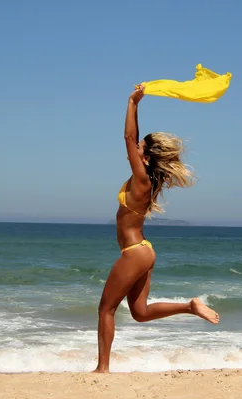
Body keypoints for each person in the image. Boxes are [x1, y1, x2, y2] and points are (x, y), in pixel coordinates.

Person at [93, 85, 220, 373]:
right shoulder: (148, 180)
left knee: (106, 309)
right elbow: (133, 140)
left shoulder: (142, 179)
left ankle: (102, 368)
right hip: (144, 251)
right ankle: (190, 306)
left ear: (147, 157)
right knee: (140, 313)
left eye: (139, 150)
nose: (133, 151)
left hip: (135, 252)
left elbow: (128, 137)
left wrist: (132, 103)